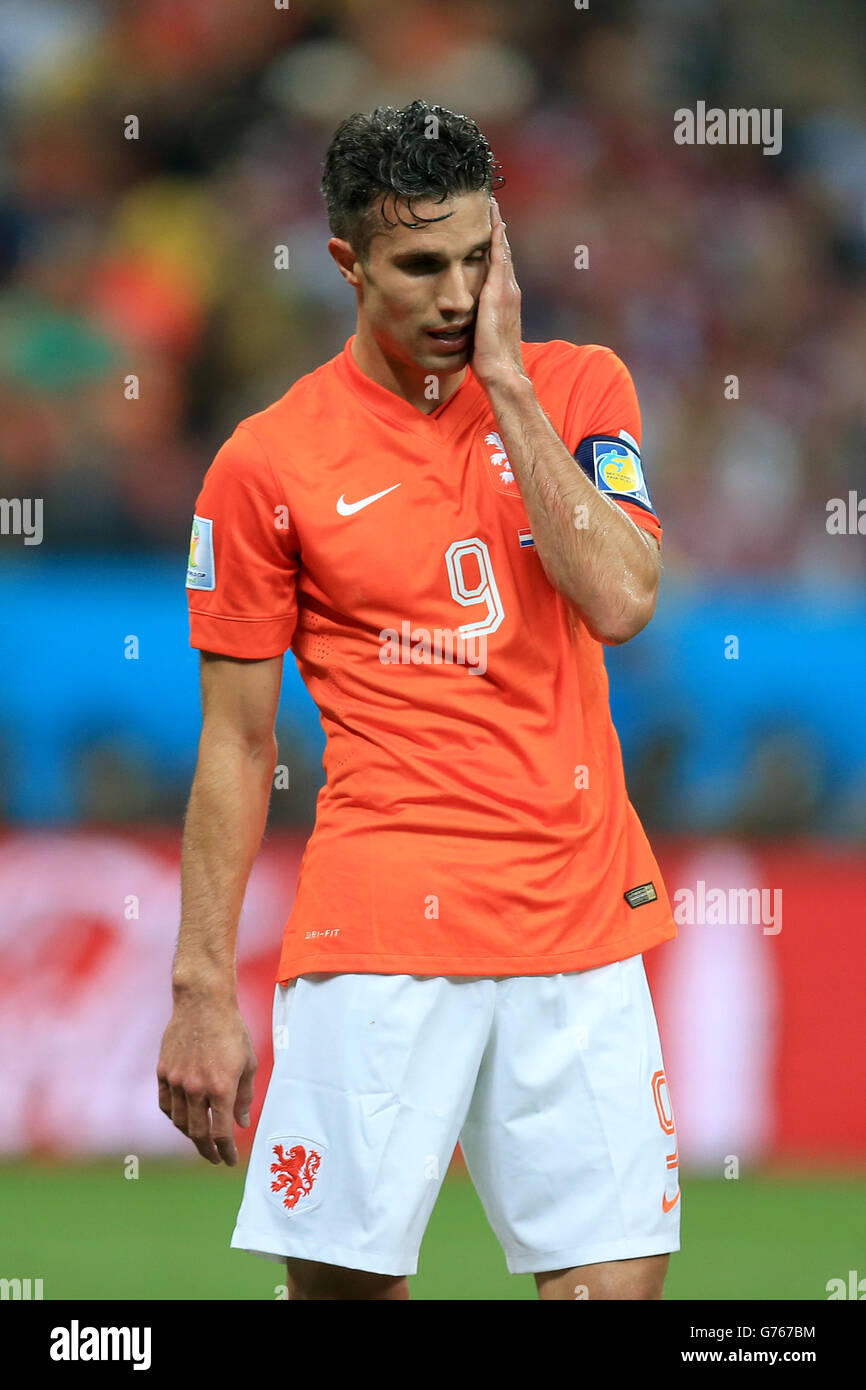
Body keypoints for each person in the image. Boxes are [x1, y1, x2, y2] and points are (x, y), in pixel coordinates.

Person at [157, 99, 681, 1301]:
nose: (456, 294)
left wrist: (506, 387)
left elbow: (618, 597)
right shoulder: (265, 462)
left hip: (578, 922)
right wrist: (200, 988)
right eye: (420, 265)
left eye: (479, 258)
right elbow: (236, 748)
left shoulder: (577, 386)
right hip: (383, 932)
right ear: (347, 263)